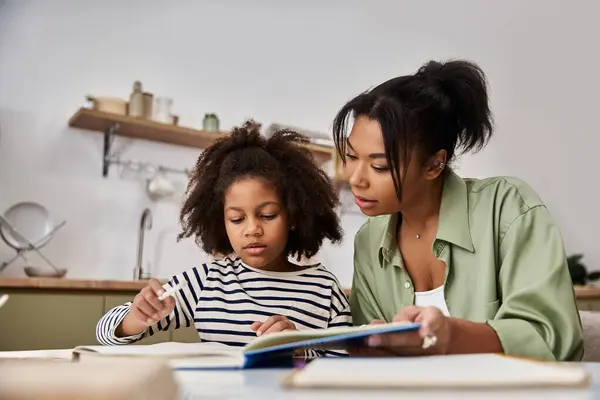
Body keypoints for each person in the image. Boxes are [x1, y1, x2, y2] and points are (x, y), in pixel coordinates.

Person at [332, 59, 583, 361]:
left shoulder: (506, 208)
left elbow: (553, 338)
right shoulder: (370, 240)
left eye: (379, 166)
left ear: (434, 164)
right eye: (350, 156)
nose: (355, 178)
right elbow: (373, 355)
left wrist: (450, 335)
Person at [96, 121, 351, 358]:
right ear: (221, 222)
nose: (252, 229)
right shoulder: (208, 281)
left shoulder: (324, 288)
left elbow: (345, 367)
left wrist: (299, 350)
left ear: (294, 216)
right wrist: (136, 318)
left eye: (268, 215)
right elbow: (105, 331)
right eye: (237, 219)